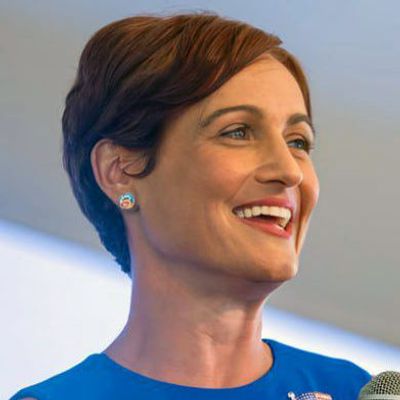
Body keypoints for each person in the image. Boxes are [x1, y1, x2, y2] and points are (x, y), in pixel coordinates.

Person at [10, 11, 371, 400]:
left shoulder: (354, 390)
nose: (289, 171)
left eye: (298, 142)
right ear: (120, 172)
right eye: (237, 132)